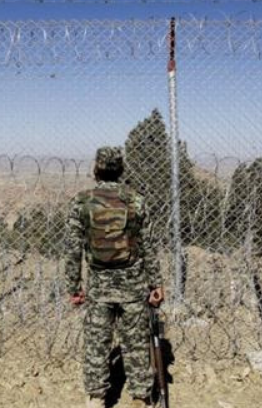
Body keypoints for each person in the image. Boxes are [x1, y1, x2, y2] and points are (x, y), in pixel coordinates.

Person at [64, 146, 165, 408]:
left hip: (99, 287)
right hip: (133, 286)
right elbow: (149, 246)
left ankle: (96, 398)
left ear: (96, 168)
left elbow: (72, 250)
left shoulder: (81, 202)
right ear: (121, 170)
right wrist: (156, 284)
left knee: (97, 344)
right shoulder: (137, 200)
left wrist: (74, 287)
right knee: (136, 343)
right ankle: (141, 397)